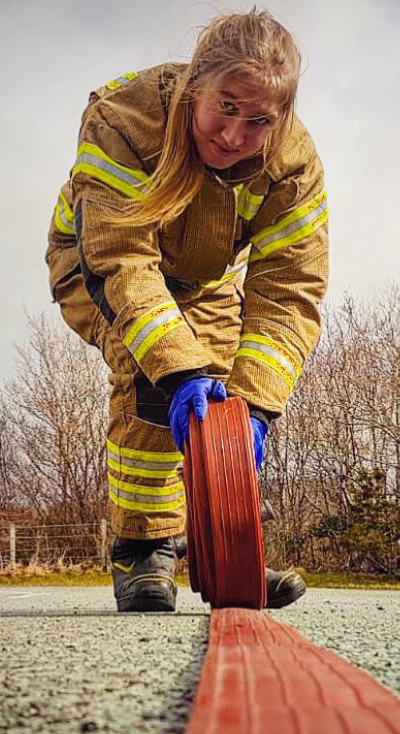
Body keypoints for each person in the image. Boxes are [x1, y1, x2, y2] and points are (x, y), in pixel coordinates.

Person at [45, 8, 328, 613]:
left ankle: (219, 547)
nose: (234, 136)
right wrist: (177, 371)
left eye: (258, 121)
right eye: (226, 107)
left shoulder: (293, 167)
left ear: (280, 118)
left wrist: (255, 403)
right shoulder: (124, 117)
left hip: (203, 280)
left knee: (222, 396)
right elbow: (121, 261)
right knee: (153, 374)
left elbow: (290, 290)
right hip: (95, 258)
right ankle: (142, 549)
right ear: (198, 84)